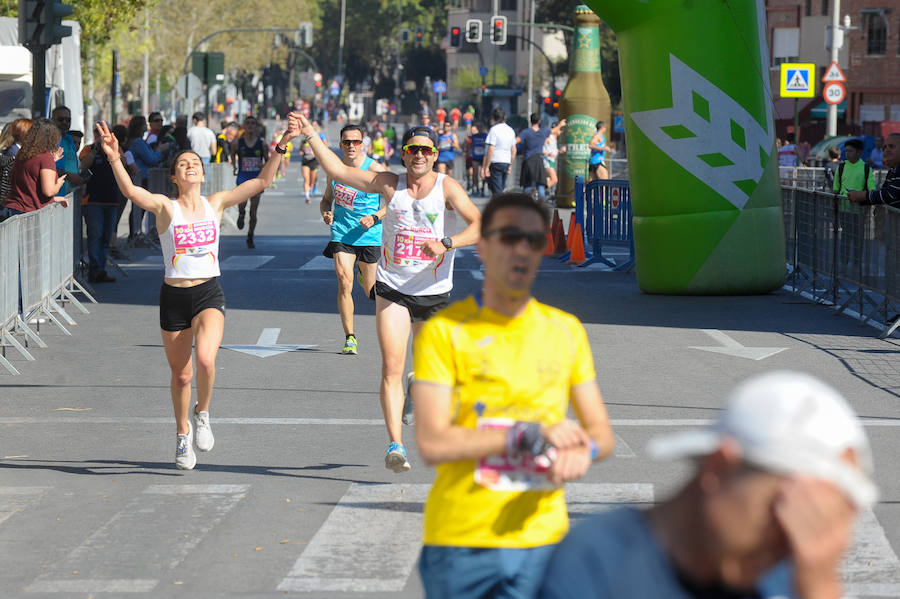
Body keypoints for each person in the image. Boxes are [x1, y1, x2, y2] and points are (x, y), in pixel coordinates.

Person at [412, 192, 615, 598]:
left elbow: (600, 434)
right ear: (483, 247)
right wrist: (525, 434)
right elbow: (433, 443)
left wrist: (583, 452)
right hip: (462, 541)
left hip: (543, 540)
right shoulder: (445, 332)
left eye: (534, 240)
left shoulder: (566, 330)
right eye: (509, 236)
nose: (522, 249)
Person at [538, 370, 878, 599]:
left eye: (813, 521)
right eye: (784, 509)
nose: (793, 546)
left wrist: (818, 582)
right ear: (717, 467)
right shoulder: (601, 559)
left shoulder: (791, 574)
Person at [96, 118, 300, 470]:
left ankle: (203, 413)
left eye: (195, 164)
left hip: (208, 292)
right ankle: (181, 434)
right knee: (182, 375)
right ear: (174, 178)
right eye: (182, 165)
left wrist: (281, 144)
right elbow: (132, 193)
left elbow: (263, 181)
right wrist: (115, 157)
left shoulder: (216, 203)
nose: (190, 167)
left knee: (206, 360)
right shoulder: (165, 207)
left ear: (203, 175)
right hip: (173, 297)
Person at [292, 112, 481, 473]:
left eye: (426, 149)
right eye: (413, 149)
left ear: (435, 154)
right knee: (392, 367)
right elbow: (338, 170)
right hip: (393, 288)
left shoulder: (447, 188)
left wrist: (447, 243)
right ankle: (395, 445)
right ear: (404, 154)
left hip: (434, 291)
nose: (419, 155)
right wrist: (311, 133)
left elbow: (480, 225)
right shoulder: (388, 184)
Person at [320, 123, 389, 355]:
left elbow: (394, 201)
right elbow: (326, 199)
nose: (351, 146)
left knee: (371, 291)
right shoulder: (335, 170)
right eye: (347, 142)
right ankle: (350, 337)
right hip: (341, 233)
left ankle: (363, 276)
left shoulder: (375, 168)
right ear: (340, 145)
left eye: (356, 142)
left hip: (369, 234)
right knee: (344, 280)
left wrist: (375, 216)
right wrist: (326, 213)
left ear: (363, 144)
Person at [0, 118, 69, 221]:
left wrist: (54, 199)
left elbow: (30, 183)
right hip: (27, 214)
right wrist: (59, 183)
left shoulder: (22, 153)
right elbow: (49, 191)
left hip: (11, 209)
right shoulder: (45, 157)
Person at [126, 115, 166, 247]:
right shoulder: (138, 142)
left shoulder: (140, 141)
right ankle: (135, 234)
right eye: (144, 124)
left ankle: (136, 234)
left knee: (140, 208)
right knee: (139, 208)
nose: (146, 127)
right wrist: (160, 151)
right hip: (141, 178)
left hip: (144, 178)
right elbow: (151, 159)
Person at [231, 115, 267, 248]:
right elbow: (232, 153)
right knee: (242, 204)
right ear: (244, 126)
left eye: (253, 123)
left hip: (256, 179)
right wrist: (235, 166)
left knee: (254, 211)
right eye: (248, 123)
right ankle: (241, 213)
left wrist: (264, 169)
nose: (250, 125)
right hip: (242, 177)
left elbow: (267, 161)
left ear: (256, 127)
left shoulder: (262, 144)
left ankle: (250, 235)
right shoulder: (237, 143)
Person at [848, 132, 900, 209]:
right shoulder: (892, 170)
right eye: (884, 147)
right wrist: (860, 198)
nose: (886, 150)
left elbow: (890, 195)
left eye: (891, 146)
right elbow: (883, 194)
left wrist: (862, 195)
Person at [481, 107, 517, 195]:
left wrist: (486, 166)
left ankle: (500, 207)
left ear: (494, 118)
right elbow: (514, 149)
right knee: (501, 187)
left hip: (496, 161)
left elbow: (491, 149)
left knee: (497, 191)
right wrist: (510, 165)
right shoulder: (510, 130)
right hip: (506, 161)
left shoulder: (494, 130)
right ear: (505, 117)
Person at [51, 106, 84, 196]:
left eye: (68, 120)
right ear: (52, 120)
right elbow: (46, 166)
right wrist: (68, 176)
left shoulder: (70, 140)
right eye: (61, 119)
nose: (65, 122)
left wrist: (78, 178)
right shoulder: (49, 140)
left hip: (71, 196)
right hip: (54, 198)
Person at [517, 113, 551, 202]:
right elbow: (553, 131)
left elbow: (516, 140)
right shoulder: (543, 132)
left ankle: (525, 204)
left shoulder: (526, 132)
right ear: (539, 121)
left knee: (527, 185)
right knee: (540, 185)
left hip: (528, 160)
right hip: (538, 160)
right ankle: (542, 205)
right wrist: (560, 125)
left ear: (530, 121)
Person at [299, 122, 325, 204]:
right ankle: (307, 196)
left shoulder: (317, 139)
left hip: (314, 161)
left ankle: (312, 185)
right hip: (305, 161)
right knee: (306, 178)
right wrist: (301, 152)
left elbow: (322, 148)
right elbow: (301, 148)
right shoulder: (304, 140)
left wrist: (316, 153)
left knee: (312, 180)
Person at [466, 123, 487, 196]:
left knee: (483, 173)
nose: (481, 129)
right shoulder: (474, 136)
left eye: (482, 127)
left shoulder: (486, 136)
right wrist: (469, 151)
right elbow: (470, 144)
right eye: (479, 128)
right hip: (475, 156)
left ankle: (483, 188)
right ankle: (477, 187)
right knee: (475, 173)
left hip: (483, 157)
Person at [543, 119, 564, 193]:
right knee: (554, 179)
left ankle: (541, 192)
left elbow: (552, 150)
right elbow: (541, 149)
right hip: (547, 161)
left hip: (551, 161)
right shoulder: (549, 137)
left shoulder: (555, 139)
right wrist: (548, 154)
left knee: (548, 179)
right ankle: (539, 192)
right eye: (560, 130)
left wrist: (559, 151)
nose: (560, 132)